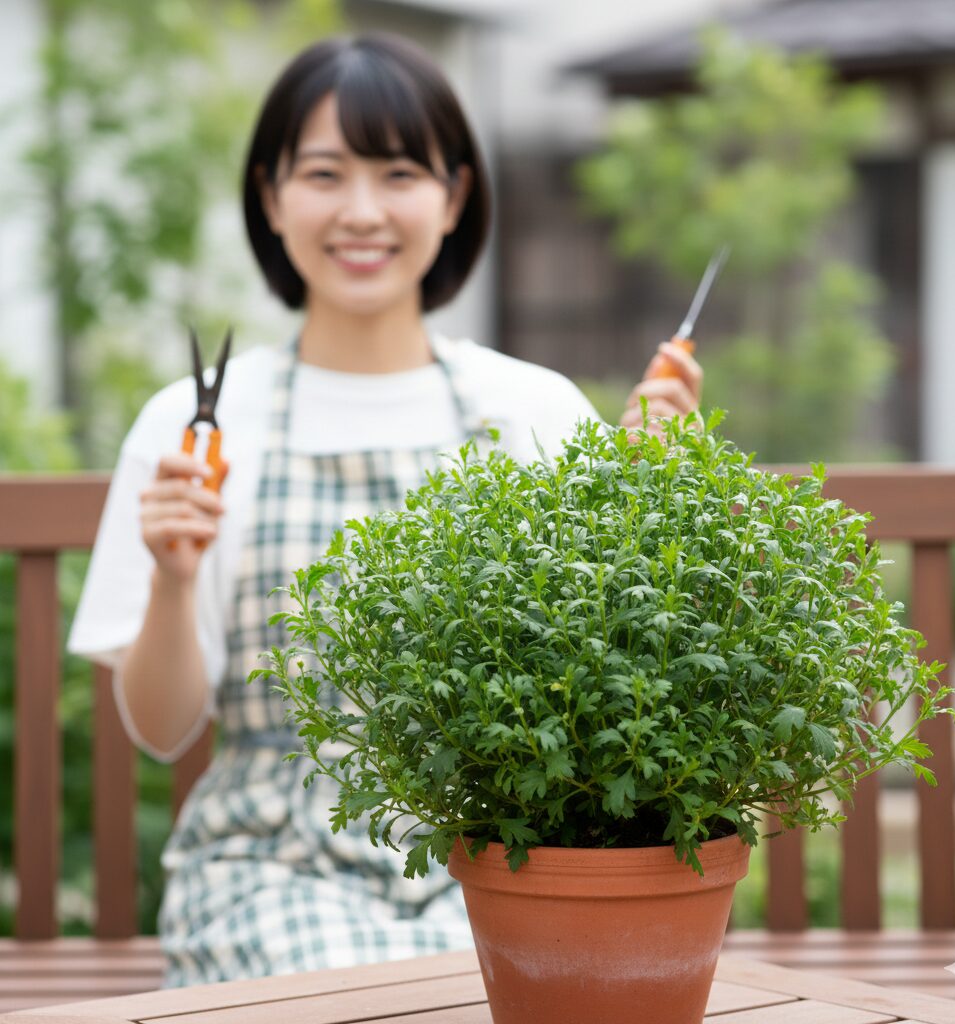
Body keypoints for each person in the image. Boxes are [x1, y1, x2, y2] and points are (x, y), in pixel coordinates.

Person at [67, 32, 703, 987]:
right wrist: (173, 574)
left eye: (398, 173)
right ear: (271, 195)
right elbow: (163, 731)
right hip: (269, 866)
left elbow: (613, 685)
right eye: (324, 173)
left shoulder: (531, 407)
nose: (361, 211)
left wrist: (652, 501)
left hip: (498, 849)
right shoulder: (193, 424)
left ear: (453, 197)